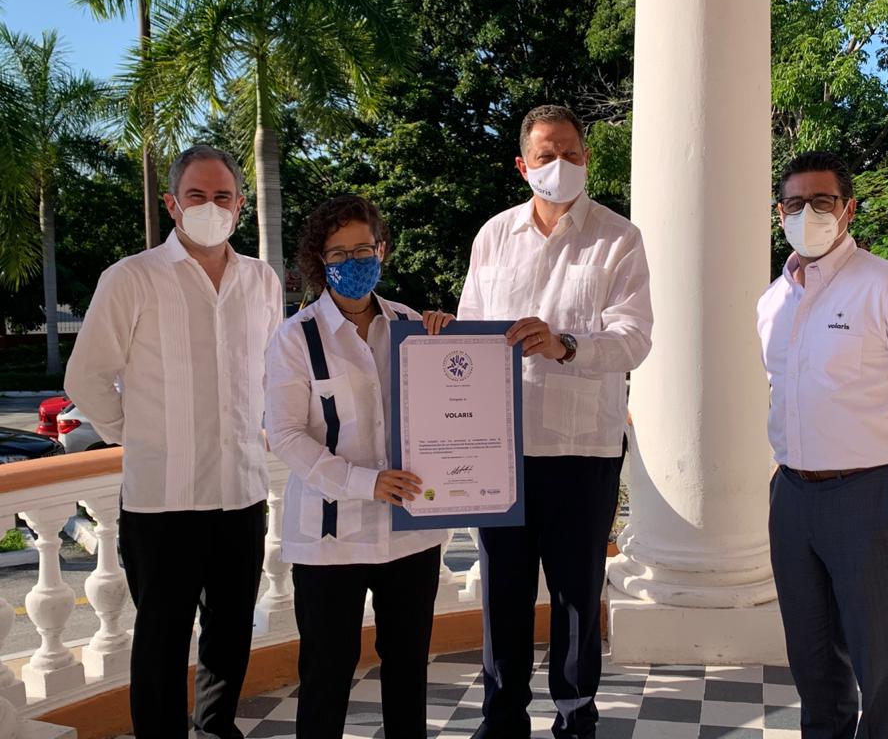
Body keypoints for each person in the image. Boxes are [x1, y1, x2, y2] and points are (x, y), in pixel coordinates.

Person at [65, 145, 282, 738]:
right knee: (161, 642)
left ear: (239, 205)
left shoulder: (261, 280)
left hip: (241, 493)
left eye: (222, 196)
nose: (210, 206)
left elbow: (272, 372)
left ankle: (216, 730)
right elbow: (86, 377)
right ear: (172, 204)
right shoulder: (131, 278)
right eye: (196, 195)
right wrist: (140, 437)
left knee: (231, 634)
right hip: (162, 501)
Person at [458, 105, 653, 739]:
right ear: (523, 165)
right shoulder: (493, 236)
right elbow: (469, 333)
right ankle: (501, 719)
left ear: (586, 158)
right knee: (503, 595)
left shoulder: (619, 238)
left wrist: (566, 344)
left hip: (583, 449)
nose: (559, 164)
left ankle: (575, 720)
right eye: (546, 155)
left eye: (570, 152)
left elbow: (634, 338)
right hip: (500, 450)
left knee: (575, 596)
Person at [756, 151, 888, 737]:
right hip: (791, 494)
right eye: (795, 203)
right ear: (780, 213)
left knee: (878, 659)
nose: (809, 214)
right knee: (811, 655)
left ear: (847, 210)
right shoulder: (772, 302)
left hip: (868, 492)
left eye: (822, 201)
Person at [265, 194, 452, 739]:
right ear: (320, 260)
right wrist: (365, 483)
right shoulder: (296, 337)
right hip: (331, 539)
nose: (352, 262)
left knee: (408, 671)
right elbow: (285, 435)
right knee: (326, 673)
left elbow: (451, 404)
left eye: (362, 250)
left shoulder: (413, 326)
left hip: (410, 535)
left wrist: (451, 339)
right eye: (338, 254)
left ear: (382, 250)